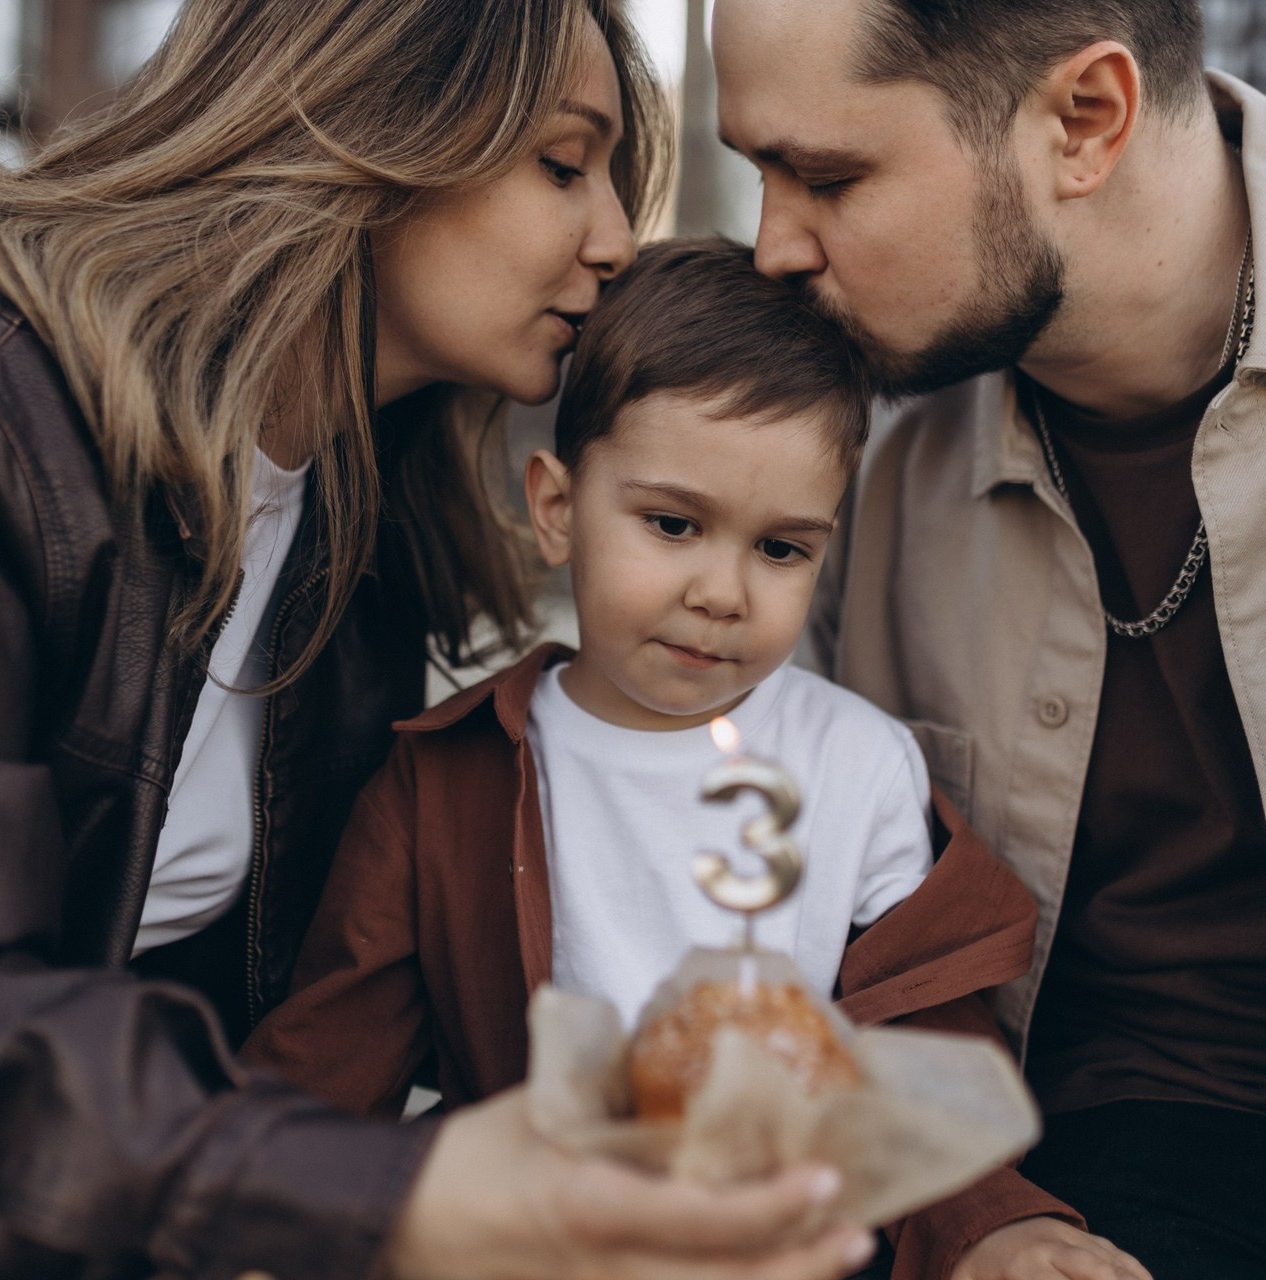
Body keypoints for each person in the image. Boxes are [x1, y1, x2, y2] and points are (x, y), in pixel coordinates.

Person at [0, 3, 880, 1278]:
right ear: (361, 126)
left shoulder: (361, 536)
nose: (618, 240)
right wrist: (404, 1192)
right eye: (564, 166)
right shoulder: (9, 414)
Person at [242, 235, 1045, 1276]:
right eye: (672, 523)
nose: (722, 590)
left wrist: (992, 1227)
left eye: (780, 547)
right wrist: (260, 1227)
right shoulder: (449, 778)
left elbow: (926, 1043)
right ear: (557, 507)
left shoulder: (857, 764)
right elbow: (326, 1064)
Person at [712, 0, 1266, 1277]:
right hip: (1056, 1168)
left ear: (1084, 121)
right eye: (758, 174)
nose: (771, 249)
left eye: (828, 177)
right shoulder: (831, 445)